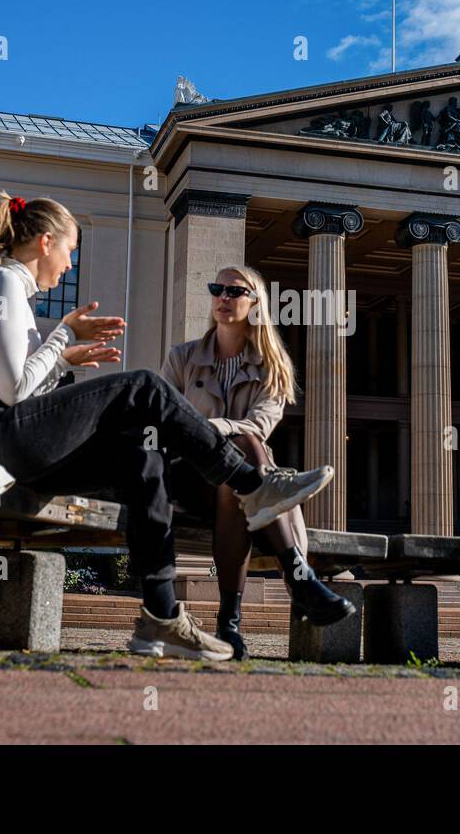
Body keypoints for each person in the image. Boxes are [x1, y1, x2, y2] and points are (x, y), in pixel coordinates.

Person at [0, 192, 336, 661]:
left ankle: (161, 615)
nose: (69, 265)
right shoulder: (2, 283)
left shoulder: (10, 291)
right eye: (71, 251)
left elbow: (23, 389)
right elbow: (12, 392)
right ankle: (251, 483)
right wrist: (64, 338)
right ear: (46, 242)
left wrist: (62, 360)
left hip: (14, 438)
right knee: (145, 387)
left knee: (140, 455)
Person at [161, 265, 354, 659]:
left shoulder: (272, 367)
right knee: (246, 453)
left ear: (255, 304)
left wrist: (212, 426)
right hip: (187, 478)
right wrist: (214, 431)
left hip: (238, 484)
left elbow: (260, 425)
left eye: (235, 291)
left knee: (243, 462)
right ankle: (299, 579)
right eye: (217, 289)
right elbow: (166, 423)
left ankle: (229, 627)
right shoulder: (182, 358)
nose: (223, 297)